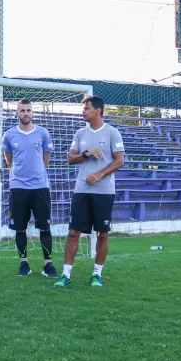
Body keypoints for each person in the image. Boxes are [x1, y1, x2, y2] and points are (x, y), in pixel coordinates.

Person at [54, 96, 124, 288]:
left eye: (87, 108)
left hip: (104, 191)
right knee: (73, 232)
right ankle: (66, 275)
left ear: (98, 111)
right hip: (82, 190)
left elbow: (119, 161)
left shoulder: (112, 133)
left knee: (102, 233)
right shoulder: (80, 134)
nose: (83, 111)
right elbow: (70, 159)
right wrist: (86, 154)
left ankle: (97, 274)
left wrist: (100, 174)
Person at [2, 98, 58, 277]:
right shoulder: (9, 135)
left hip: (40, 187)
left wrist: (37, 173)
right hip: (18, 187)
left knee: (45, 227)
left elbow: (46, 159)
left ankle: (48, 265)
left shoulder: (42, 133)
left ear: (32, 113)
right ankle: (23, 264)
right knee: (20, 228)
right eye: (22, 110)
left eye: (28, 110)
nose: (25, 113)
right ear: (16, 113)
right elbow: (8, 159)